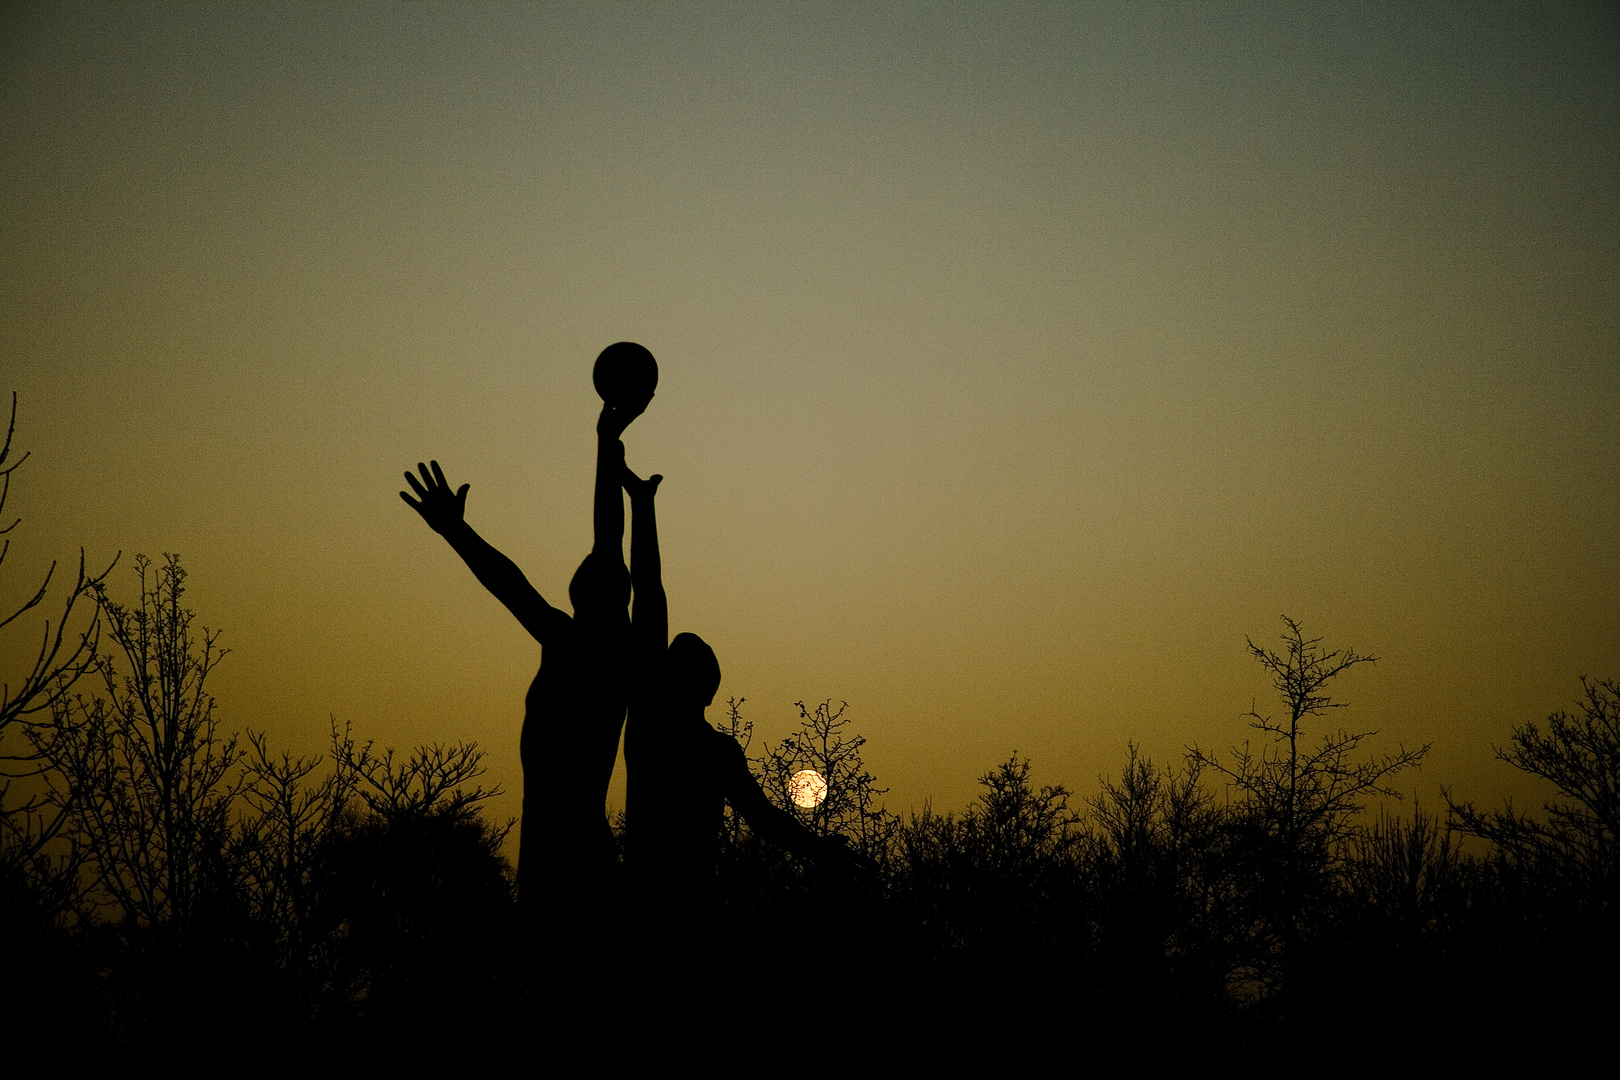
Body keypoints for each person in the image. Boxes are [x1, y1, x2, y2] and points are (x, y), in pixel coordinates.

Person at [400, 403, 640, 987]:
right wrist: (607, 440)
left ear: (597, 593)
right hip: (559, 846)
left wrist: (609, 442)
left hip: (567, 849)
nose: (593, 563)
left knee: (561, 981)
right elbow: (529, 574)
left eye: (597, 569)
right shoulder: (582, 642)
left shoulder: (587, 646)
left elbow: (597, 537)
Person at [619, 463, 861, 995]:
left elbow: (650, 597)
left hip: (653, 916)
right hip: (677, 918)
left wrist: (642, 507)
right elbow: (649, 595)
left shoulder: (657, 730)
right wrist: (642, 508)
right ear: (709, 687)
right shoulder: (699, 745)